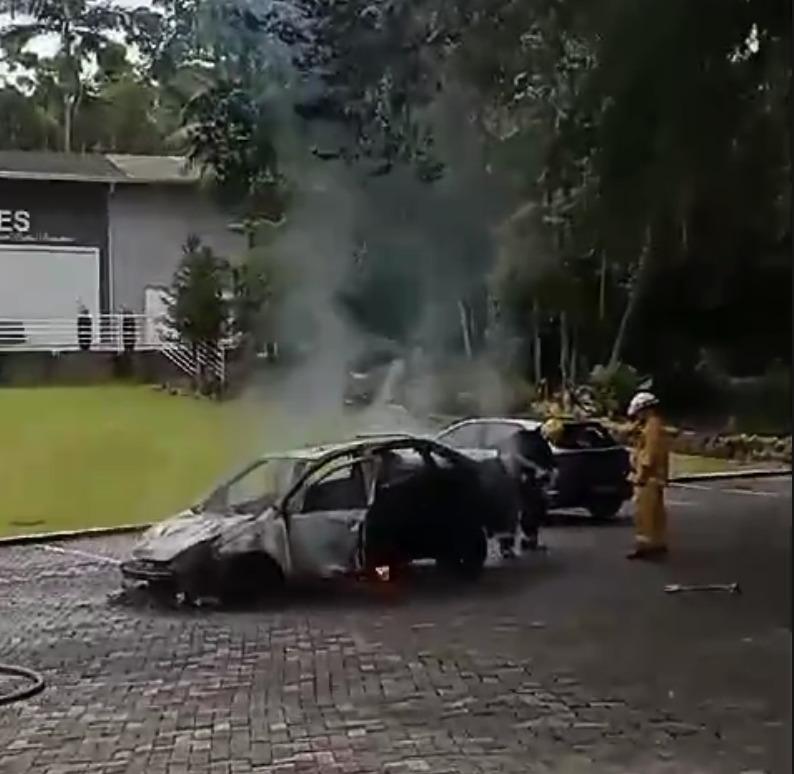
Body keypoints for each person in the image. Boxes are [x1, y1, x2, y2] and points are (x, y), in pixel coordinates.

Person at [626, 391, 670, 560]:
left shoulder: (652, 428)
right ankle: (656, 544)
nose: (637, 416)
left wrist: (641, 475)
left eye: (638, 412)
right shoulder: (651, 425)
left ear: (645, 409)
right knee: (655, 513)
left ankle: (646, 546)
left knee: (644, 514)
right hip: (654, 478)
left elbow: (649, 455)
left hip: (648, 478)